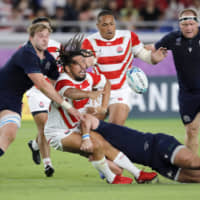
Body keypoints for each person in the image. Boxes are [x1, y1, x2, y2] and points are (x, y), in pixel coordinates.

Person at [44, 35, 158, 184]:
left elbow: (107, 83)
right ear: (67, 68)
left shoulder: (88, 77)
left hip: (77, 126)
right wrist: (88, 94)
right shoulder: (63, 81)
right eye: (77, 64)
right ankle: (112, 179)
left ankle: (138, 174)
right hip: (58, 133)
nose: (83, 66)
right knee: (96, 146)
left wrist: (103, 108)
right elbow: (71, 93)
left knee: (106, 147)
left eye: (84, 62)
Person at [0, 23, 81, 164]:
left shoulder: (48, 59)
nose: (45, 39)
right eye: (40, 36)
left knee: (10, 132)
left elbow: (58, 82)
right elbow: (42, 84)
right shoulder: (27, 53)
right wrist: (66, 105)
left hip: (12, 98)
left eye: (47, 36)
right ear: (31, 37)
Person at [81, 9, 167, 126]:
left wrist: (154, 59)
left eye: (112, 24)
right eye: (105, 25)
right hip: (99, 92)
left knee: (115, 129)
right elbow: (86, 63)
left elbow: (144, 55)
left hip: (120, 91)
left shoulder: (128, 37)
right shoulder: (89, 42)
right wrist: (88, 61)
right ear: (98, 26)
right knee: (89, 129)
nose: (109, 28)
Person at [82, 113, 200, 183]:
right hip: (156, 164)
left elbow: (87, 118)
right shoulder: (96, 150)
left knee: (191, 162)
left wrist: (86, 137)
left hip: (157, 144)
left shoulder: (98, 128)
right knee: (196, 178)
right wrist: (100, 163)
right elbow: (118, 171)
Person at [148, 8, 200, 155]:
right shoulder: (172, 38)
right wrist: (128, 53)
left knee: (195, 127)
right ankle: (192, 166)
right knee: (191, 131)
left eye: (191, 24)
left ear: (196, 23)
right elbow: (152, 49)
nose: (189, 28)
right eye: (185, 25)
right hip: (187, 94)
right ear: (179, 25)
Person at [26, 17, 61, 177]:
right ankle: (48, 165)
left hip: (53, 91)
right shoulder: (26, 48)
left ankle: (35, 145)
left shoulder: (58, 46)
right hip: (36, 91)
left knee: (52, 127)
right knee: (44, 126)